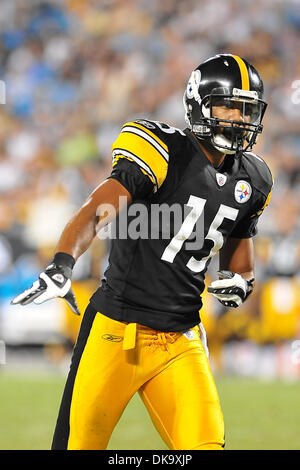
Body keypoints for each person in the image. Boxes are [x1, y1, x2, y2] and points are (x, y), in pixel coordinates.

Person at [12, 54, 273, 450]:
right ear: (198, 104)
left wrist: (241, 282)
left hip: (181, 338)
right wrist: (63, 262)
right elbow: (99, 207)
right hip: (117, 331)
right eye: (228, 106)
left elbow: (239, 251)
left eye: (246, 109)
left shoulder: (253, 177)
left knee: (206, 444)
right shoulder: (163, 148)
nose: (238, 119)